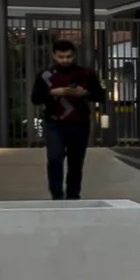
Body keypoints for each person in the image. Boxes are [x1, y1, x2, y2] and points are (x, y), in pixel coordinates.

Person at [35, 41, 107, 203]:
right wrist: (53, 92)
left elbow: (100, 96)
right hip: (54, 123)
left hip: (79, 123)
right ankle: (57, 195)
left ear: (74, 55)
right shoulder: (45, 75)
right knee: (54, 159)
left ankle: (73, 195)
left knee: (75, 162)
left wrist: (84, 93)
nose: (65, 60)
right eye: (61, 57)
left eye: (68, 56)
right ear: (54, 55)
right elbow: (35, 98)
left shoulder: (86, 74)